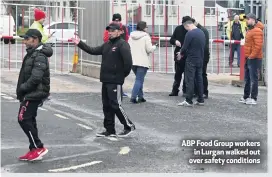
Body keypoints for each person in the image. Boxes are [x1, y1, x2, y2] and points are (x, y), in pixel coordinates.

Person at [71, 23, 136, 137]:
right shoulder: (107, 45)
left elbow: (128, 63)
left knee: (116, 105)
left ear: (120, 32)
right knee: (106, 105)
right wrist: (79, 43)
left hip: (115, 81)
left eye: (112, 30)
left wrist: (120, 76)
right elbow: (92, 50)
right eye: (109, 30)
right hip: (105, 80)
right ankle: (110, 130)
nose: (110, 32)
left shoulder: (123, 45)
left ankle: (129, 126)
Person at [17, 29, 53, 161]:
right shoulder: (33, 53)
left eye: (27, 39)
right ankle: (33, 148)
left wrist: (23, 88)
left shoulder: (39, 55)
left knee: (23, 118)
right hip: (31, 92)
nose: (24, 41)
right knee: (29, 119)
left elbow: (36, 78)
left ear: (35, 39)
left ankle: (38, 147)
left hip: (35, 92)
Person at [177, 20, 206, 107]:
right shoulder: (202, 32)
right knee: (199, 79)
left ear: (187, 26)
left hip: (191, 60)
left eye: (186, 28)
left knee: (190, 80)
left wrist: (180, 54)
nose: (186, 30)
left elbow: (184, 47)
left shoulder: (190, 34)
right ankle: (201, 99)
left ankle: (188, 100)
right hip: (200, 59)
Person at [128, 21, 156, 103]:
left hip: (132, 61)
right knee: (139, 80)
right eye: (146, 27)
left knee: (139, 79)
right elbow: (149, 49)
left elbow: (128, 47)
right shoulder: (146, 36)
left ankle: (141, 96)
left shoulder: (131, 36)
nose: (147, 28)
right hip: (142, 61)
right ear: (144, 28)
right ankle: (133, 97)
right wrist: (154, 46)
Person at [239, 13, 264, 105]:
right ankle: (246, 96)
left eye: (248, 19)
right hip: (249, 57)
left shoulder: (257, 30)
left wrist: (251, 56)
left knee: (253, 79)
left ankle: (253, 98)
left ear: (253, 20)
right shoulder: (251, 29)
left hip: (254, 58)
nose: (246, 21)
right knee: (248, 78)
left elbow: (258, 46)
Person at [103, 13, 129, 97]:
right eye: (115, 20)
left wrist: (125, 46)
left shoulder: (123, 27)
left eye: (118, 20)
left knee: (120, 72)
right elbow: (105, 38)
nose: (117, 21)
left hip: (121, 50)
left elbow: (127, 37)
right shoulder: (110, 27)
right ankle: (117, 90)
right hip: (111, 51)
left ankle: (119, 90)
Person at [190, 17, 210, 99]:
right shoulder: (198, 30)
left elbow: (204, 45)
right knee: (197, 74)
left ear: (194, 23)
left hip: (203, 55)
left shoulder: (202, 31)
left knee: (202, 74)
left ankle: (204, 92)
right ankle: (197, 92)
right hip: (200, 55)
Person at [168, 17, 188, 96]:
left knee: (187, 74)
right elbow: (171, 39)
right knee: (177, 74)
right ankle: (175, 90)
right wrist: (175, 41)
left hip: (187, 54)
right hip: (178, 54)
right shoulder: (178, 29)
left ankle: (185, 90)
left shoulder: (191, 30)